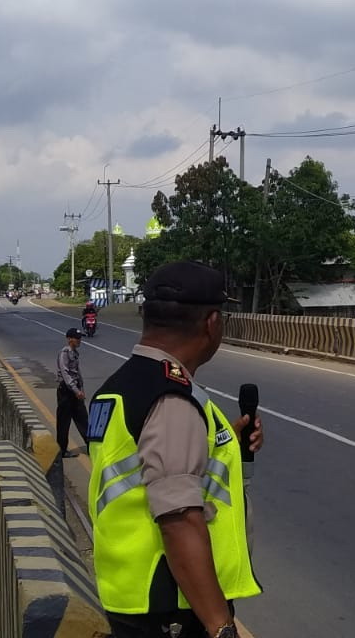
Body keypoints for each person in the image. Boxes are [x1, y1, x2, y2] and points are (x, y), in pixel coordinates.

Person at [87, 261, 264, 638]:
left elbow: (136, 469)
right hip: (173, 611)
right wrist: (221, 628)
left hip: (131, 597)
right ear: (212, 323)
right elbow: (178, 519)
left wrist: (222, 438)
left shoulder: (119, 386)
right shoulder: (172, 398)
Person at [57, 327, 89, 458]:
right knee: (64, 421)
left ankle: (92, 446)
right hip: (66, 391)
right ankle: (62, 450)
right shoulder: (64, 353)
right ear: (69, 339)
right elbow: (66, 374)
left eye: (80, 338)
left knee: (83, 419)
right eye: (77, 338)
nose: (79, 340)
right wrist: (76, 390)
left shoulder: (75, 353)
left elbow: (77, 372)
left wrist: (81, 388)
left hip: (75, 390)